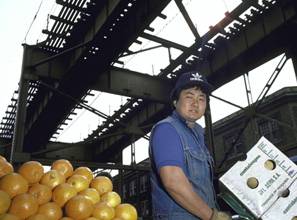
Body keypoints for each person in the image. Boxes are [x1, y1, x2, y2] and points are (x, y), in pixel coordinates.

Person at [149, 71, 231, 220]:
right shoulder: (167, 129)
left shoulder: (197, 135)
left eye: (201, 98)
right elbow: (173, 181)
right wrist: (212, 216)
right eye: (189, 96)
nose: (195, 103)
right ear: (175, 101)